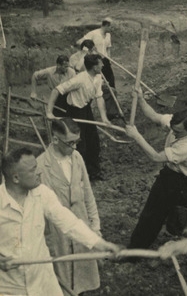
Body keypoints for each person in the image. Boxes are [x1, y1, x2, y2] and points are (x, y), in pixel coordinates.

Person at [0, 147, 120, 296]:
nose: (39, 172)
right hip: (10, 288)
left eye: (36, 167)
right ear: (16, 178)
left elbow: (69, 222)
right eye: (32, 170)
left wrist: (101, 244)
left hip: (44, 282)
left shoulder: (42, 193)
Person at [125, 89, 187, 249]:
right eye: (172, 128)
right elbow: (153, 116)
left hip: (183, 184)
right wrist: (140, 100)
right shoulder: (176, 124)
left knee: (186, 219)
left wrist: (137, 136)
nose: (173, 132)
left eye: (177, 132)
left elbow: (156, 157)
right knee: (151, 214)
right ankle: (135, 251)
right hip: (169, 176)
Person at [37, 118, 101, 295]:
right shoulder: (41, 166)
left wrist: (95, 226)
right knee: (62, 283)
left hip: (81, 229)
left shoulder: (77, 158)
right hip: (58, 236)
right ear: (55, 139)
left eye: (77, 142)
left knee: (85, 278)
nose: (74, 147)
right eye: (70, 143)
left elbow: (88, 194)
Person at [46, 54, 110, 181]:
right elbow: (56, 90)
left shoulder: (98, 77)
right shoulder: (79, 79)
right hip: (74, 111)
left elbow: (99, 97)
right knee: (80, 145)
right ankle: (79, 176)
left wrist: (104, 118)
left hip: (86, 109)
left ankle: (93, 172)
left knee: (94, 141)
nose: (102, 65)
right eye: (100, 63)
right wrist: (49, 112)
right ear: (94, 67)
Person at [77, 18, 115, 88]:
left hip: (105, 60)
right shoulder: (93, 33)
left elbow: (108, 48)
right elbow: (79, 42)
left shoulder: (108, 35)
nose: (112, 29)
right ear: (106, 25)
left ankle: (111, 96)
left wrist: (109, 59)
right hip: (96, 61)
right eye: (111, 27)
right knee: (98, 80)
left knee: (111, 80)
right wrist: (90, 49)